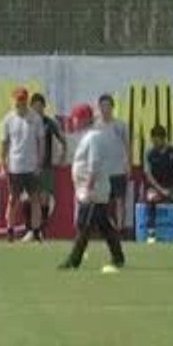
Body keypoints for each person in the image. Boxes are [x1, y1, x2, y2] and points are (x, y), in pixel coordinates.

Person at [59, 103, 126, 272]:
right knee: (104, 225)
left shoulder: (93, 137)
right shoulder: (90, 136)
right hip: (92, 188)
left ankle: (74, 260)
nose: (73, 123)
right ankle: (118, 257)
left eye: (75, 119)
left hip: (93, 190)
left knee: (84, 225)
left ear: (83, 120)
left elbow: (94, 163)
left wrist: (88, 187)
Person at [0, 87, 44, 242]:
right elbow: (4, 144)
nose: (20, 103)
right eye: (18, 100)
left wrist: (39, 163)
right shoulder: (8, 120)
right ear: (14, 101)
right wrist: (3, 164)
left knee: (35, 199)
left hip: (31, 167)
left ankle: (36, 231)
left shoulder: (35, 118)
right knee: (13, 200)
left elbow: (41, 142)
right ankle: (9, 230)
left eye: (23, 100)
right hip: (15, 167)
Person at [26, 93, 67, 240]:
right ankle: (30, 230)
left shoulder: (49, 123)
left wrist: (62, 156)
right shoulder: (27, 123)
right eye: (35, 106)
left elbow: (62, 139)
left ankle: (41, 230)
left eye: (40, 106)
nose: (38, 109)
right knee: (30, 199)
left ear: (44, 107)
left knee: (44, 199)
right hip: (29, 167)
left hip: (46, 166)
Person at [142, 125, 173, 244]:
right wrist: (160, 189)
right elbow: (148, 175)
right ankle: (151, 233)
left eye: (157, 141)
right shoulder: (149, 153)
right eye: (153, 140)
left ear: (163, 139)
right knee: (150, 198)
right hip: (156, 187)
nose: (155, 143)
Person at [96, 94, 131, 236]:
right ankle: (104, 229)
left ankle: (120, 229)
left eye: (108, 106)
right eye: (102, 106)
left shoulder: (120, 125)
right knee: (102, 202)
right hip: (102, 171)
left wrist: (128, 164)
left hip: (118, 169)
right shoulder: (95, 126)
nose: (105, 109)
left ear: (112, 107)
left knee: (119, 200)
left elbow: (127, 146)